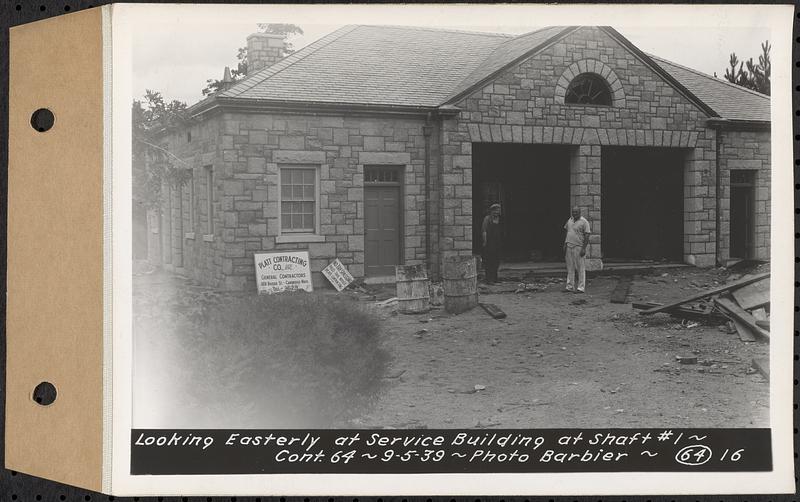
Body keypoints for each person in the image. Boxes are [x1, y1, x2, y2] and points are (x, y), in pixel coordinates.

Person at [563, 205, 591, 293]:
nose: (574, 213)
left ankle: (580, 288)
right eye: (573, 212)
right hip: (569, 246)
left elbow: (587, 235)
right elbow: (567, 232)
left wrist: (583, 248)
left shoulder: (584, 222)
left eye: (576, 212)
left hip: (578, 247)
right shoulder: (570, 220)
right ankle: (569, 286)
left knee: (580, 268)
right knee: (570, 267)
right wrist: (565, 243)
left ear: (580, 212)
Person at [481, 203, 502, 284]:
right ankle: (489, 279)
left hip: (497, 243)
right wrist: (485, 241)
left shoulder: (499, 219)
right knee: (489, 261)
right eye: (496, 211)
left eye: (499, 211)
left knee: (496, 261)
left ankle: (495, 278)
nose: (498, 213)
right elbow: (484, 231)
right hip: (489, 243)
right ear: (492, 211)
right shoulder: (487, 219)